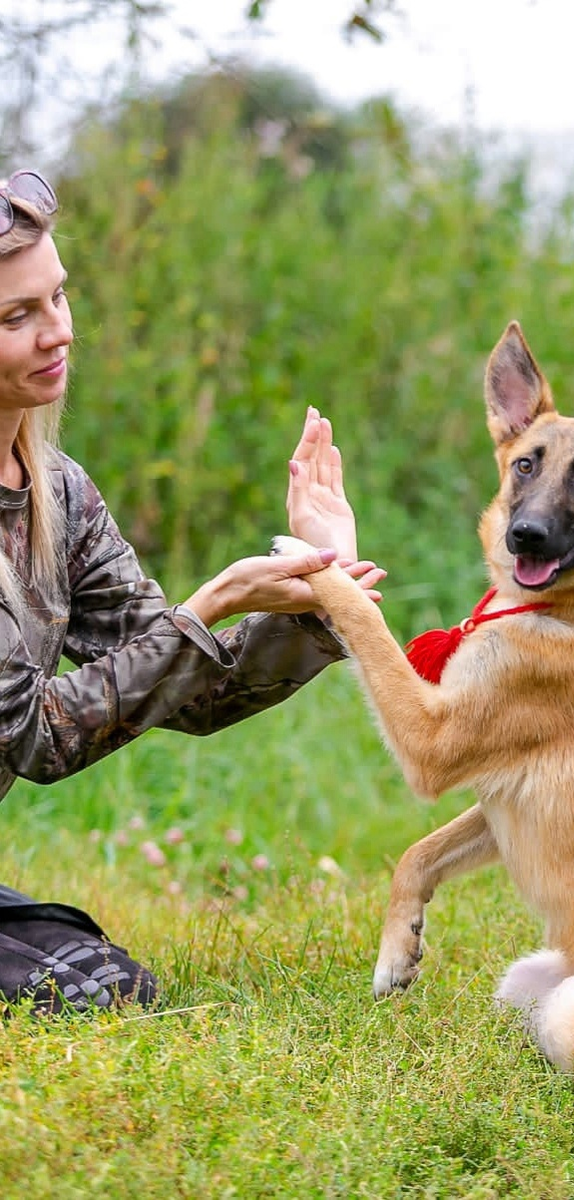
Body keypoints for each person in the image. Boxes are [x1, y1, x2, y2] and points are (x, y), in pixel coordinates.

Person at [0, 169, 384, 1015]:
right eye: (15, 317)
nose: (55, 332)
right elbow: (34, 738)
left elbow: (193, 693)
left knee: (105, 976)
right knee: (89, 995)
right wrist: (208, 605)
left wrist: (322, 588)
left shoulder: (59, 494)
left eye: (56, 299)